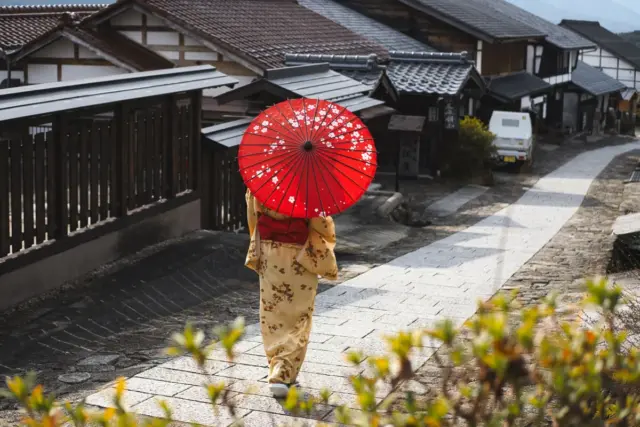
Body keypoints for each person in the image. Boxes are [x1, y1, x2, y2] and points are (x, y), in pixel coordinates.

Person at [244, 190, 338, 398]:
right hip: (300, 254)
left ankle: (276, 365)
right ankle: (283, 373)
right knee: (299, 315)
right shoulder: (308, 183)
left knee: (272, 312)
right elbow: (322, 224)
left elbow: (253, 217)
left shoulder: (261, 182)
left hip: (270, 253)